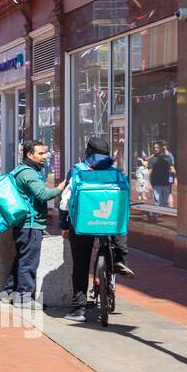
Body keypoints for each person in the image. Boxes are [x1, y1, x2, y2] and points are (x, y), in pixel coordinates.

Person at [60, 136, 134, 323]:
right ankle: (119, 257)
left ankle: (79, 309)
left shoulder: (77, 170)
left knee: (80, 264)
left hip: (81, 223)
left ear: (87, 152)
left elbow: (65, 202)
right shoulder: (116, 173)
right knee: (118, 227)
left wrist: (64, 224)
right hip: (109, 223)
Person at [5, 141, 70, 306]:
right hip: (30, 224)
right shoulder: (29, 174)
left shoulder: (20, 170)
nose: (44, 157)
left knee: (22, 258)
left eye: (45, 153)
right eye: (40, 154)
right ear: (29, 154)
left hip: (23, 223)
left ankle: (10, 292)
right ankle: (24, 297)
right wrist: (60, 188)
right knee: (29, 262)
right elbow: (42, 195)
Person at [147, 140, 177, 207]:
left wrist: (173, 179)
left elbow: (172, 170)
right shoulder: (151, 159)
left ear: (161, 148)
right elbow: (149, 172)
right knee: (158, 202)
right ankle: (158, 215)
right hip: (156, 183)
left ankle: (161, 215)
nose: (155, 149)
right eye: (154, 147)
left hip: (166, 183)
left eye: (157, 147)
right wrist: (148, 183)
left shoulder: (167, 158)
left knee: (164, 202)